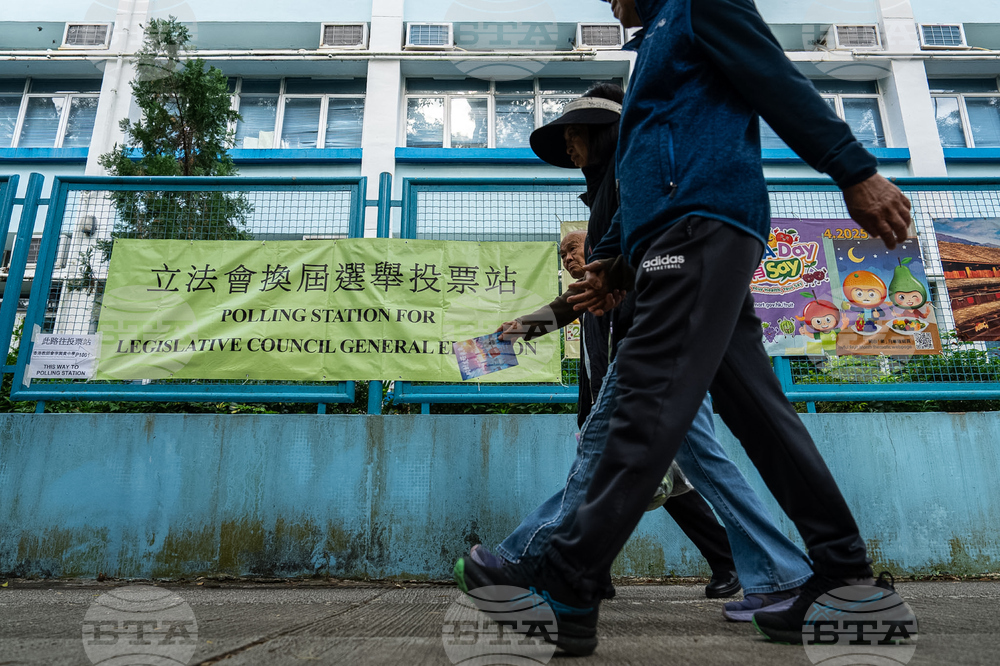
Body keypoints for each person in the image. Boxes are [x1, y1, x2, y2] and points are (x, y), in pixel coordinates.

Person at [454, 0, 916, 655]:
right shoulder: (654, 48)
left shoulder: (700, 3)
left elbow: (774, 78)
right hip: (682, 236)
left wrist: (853, 169)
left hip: (700, 227)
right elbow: (643, 164)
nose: (611, 3)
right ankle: (848, 585)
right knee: (759, 415)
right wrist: (612, 257)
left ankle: (566, 581)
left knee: (645, 401)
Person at [465, 83, 816, 626]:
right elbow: (589, 294)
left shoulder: (637, 176)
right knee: (704, 466)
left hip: (659, 340)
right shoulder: (613, 189)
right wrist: (526, 327)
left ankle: (524, 559)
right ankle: (779, 575)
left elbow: (634, 260)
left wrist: (604, 280)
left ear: (602, 133)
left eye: (576, 136)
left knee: (606, 461)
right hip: (672, 338)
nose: (570, 148)